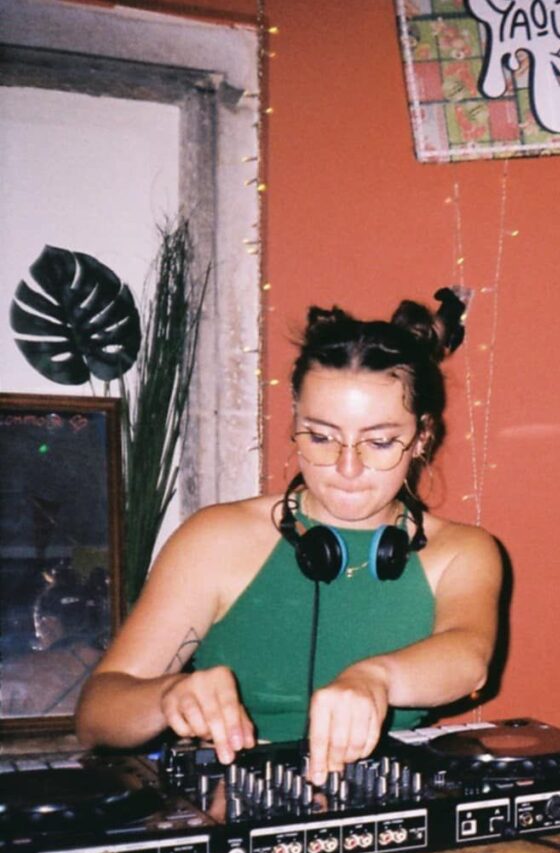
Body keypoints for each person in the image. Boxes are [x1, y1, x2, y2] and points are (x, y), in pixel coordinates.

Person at [75, 291, 502, 786]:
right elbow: (97, 713)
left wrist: (376, 678)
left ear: (422, 437)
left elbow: (468, 658)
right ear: (295, 422)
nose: (346, 468)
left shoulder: (462, 552)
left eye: (380, 442)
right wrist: (167, 696)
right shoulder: (216, 540)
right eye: (320, 437)